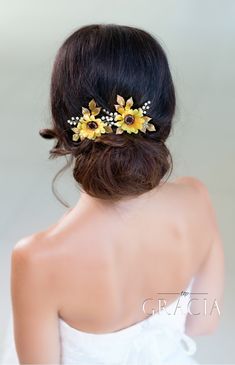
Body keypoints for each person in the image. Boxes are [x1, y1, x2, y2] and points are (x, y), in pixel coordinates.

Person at [9, 23, 224, 365]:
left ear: (65, 121)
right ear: (162, 114)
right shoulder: (196, 198)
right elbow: (203, 321)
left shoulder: (36, 259)